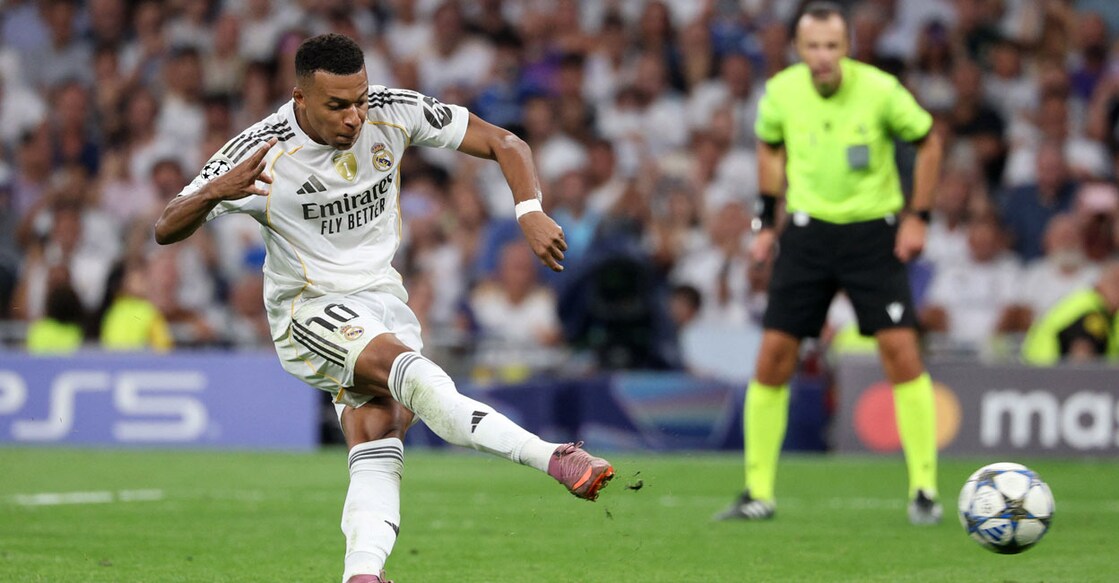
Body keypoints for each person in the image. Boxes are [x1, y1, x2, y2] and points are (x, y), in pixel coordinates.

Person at [154, 34, 613, 583]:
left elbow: (506, 142)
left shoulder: (393, 111)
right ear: (300, 99)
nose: (354, 117)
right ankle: (552, 457)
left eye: (360, 99)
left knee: (379, 434)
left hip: (382, 299)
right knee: (410, 374)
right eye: (337, 105)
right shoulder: (261, 150)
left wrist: (529, 209)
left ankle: (363, 575)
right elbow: (165, 227)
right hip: (310, 307)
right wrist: (214, 193)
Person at [715, 3, 944, 525]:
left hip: (873, 234)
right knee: (774, 355)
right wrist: (765, 223)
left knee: (900, 349)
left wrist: (919, 216)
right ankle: (757, 491)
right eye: (813, 47)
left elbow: (929, 141)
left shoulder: (881, 90)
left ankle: (925, 490)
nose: (822, 57)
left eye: (831, 47)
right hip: (807, 233)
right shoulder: (781, 93)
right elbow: (770, 148)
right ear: (798, 49)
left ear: (847, 50)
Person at [1021, 261, 1119, 365]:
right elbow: (1082, 362)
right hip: (1046, 375)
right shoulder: (1091, 314)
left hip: (1035, 371)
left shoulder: (1085, 300)